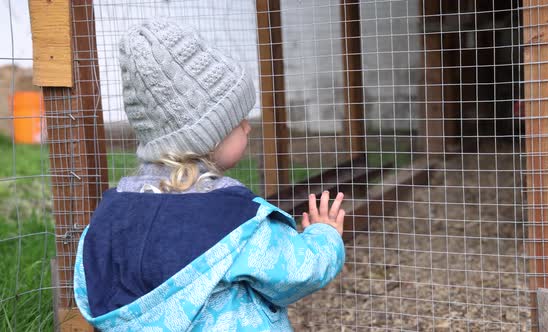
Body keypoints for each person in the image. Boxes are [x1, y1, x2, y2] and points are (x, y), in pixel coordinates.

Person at [73, 20, 346, 331]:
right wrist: (325, 236)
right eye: (237, 120)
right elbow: (297, 272)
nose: (248, 126)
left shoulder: (109, 219)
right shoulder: (232, 220)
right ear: (206, 138)